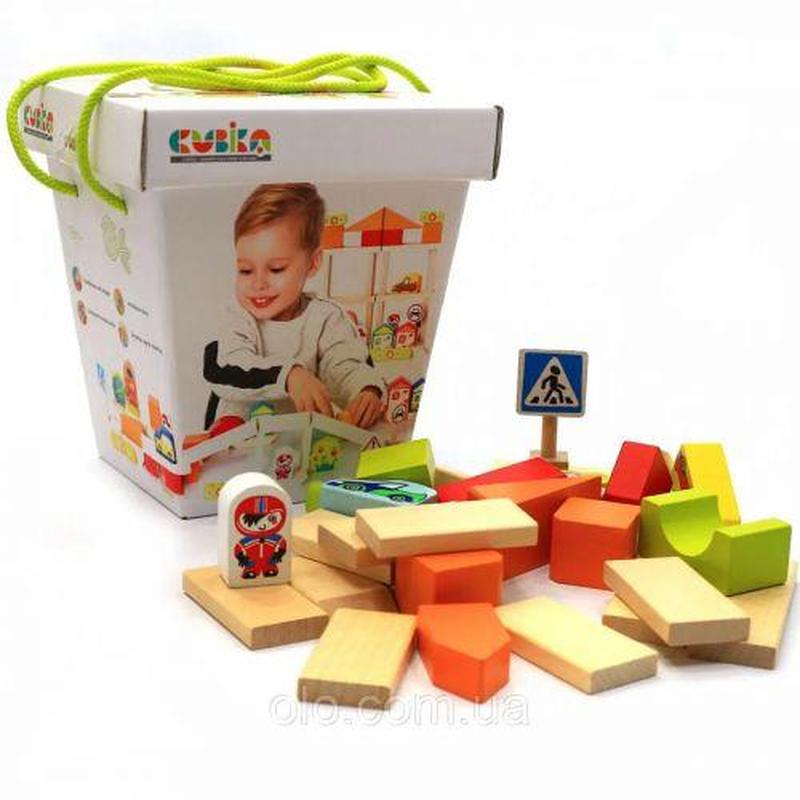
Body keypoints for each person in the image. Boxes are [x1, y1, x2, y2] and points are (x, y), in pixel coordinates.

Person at [203, 183, 384, 429]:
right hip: (242, 439)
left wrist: (367, 390)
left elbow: (345, 364)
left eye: (276, 269)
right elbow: (227, 367)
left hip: (306, 440)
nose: (258, 283)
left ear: (312, 263)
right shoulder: (237, 316)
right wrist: (288, 374)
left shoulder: (327, 318)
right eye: (245, 270)